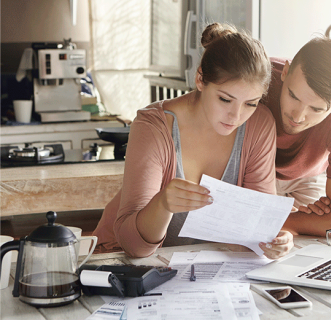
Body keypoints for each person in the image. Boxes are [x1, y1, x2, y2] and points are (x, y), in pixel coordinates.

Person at [93, 23, 293, 259]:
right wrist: (162, 204)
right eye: (225, 99)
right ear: (200, 79)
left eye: (250, 103)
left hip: (198, 269)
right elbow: (134, 247)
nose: (236, 116)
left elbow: (253, 229)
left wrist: (274, 240)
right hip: (122, 262)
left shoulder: (259, 124)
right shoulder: (153, 126)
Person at [262, 36, 331, 237]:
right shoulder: (259, 76)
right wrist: (292, 220)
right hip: (252, 171)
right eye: (293, 96)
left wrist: (271, 219)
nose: (297, 116)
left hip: (307, 177)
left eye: (316, 109)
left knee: (316, 247)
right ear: (285, 71)